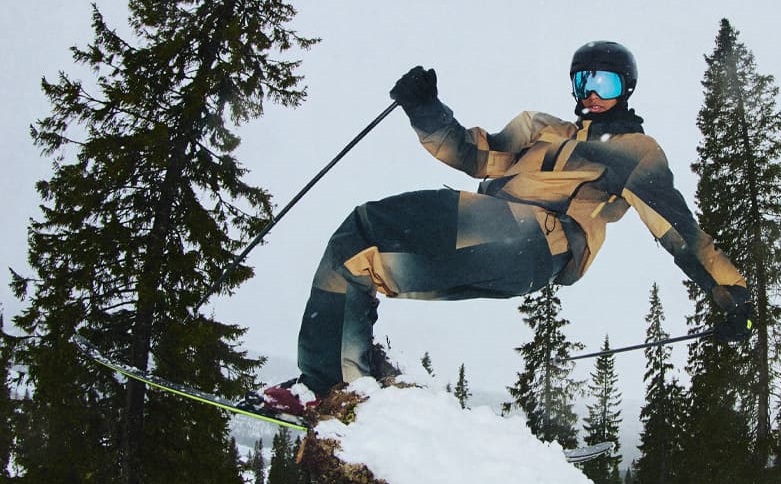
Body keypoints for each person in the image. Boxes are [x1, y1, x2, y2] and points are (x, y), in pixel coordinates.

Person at [253, 41, 752, 417]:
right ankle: (341, 391)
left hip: (537, 238)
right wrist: (425, 107)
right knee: (355, 253)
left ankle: (328, 385)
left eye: (607, 84)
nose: (593, 95)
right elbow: (475, 153)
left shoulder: (635, 150)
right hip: (495, 238)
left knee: (368, 224)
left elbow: (679, 231)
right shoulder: (541, 128)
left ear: (627, 90)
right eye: (584, 83)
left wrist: (733, 294)